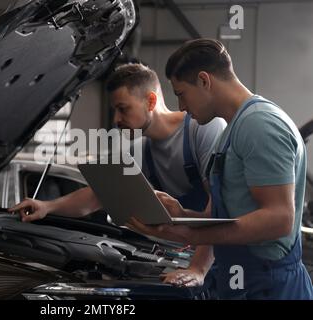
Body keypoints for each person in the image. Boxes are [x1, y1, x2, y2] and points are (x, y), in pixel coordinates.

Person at [127, 39, 313, 299]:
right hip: (242, 282)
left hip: (271, 286)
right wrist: (182, 215)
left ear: (204, 80)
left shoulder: (260, 125)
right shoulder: (230, 131)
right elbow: (227, 213)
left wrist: (184, 232)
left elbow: (279, 218)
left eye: (181, 94)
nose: (181, 107)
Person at [10, 63, 226, 288]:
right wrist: (47, 207)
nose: (116, 119)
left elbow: (219, 208)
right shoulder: (139, 150)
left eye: (123, 108)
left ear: (150, 102)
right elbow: (97, 196)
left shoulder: (202, 130)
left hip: (222, 260)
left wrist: (198, 269)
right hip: (184, 256)